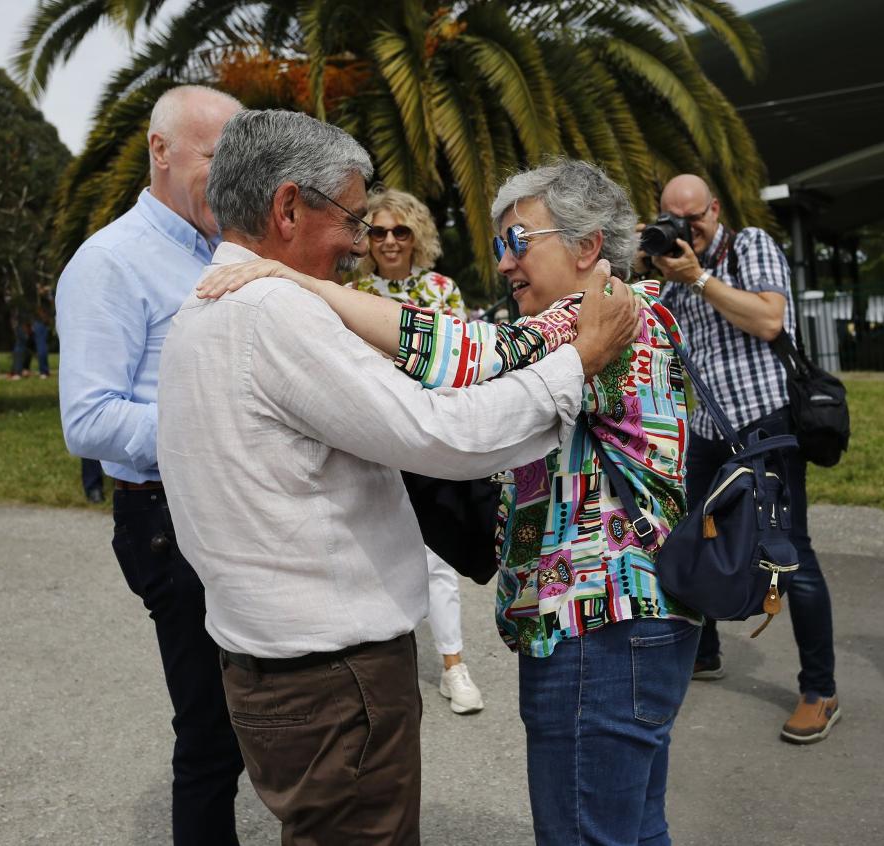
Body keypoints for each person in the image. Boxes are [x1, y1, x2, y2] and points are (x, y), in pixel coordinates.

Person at [159, 115, 638, 844]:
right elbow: (439, 433)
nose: (363, 240)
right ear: (289, 207)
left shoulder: (208, 305)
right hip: (333, 680)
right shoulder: (271, 310)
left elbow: (453, 357)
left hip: (273, 665)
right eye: (352, 217)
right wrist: (577, 365)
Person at [55, 85, 247, 844]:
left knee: (253, 723)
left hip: (228, 507)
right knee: (209, 741)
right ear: (160, 152)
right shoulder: (109, 262)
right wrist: (226, 425)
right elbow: (88, 419)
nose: (230, 177)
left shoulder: (224, 250)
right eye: (213, 157)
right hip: (167, 520)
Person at [638, 173, 841, 744]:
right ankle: (702, 652)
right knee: (688, 535)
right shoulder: (673, 266)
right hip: (709, 428)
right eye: (674, 217)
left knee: (786, 551)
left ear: (715, 209)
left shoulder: (746, 246)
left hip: (767, 422)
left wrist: (698, 276)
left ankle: (818, 690)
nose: (688, 228)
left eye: (695, 217)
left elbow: (769, 318)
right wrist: (641, 256)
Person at [351, 187, 483, 714]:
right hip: (372, 436)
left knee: (437, 556)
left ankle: (454, 666)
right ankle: (381, 676)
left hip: (427, 435)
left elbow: (458, 364)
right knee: (372, 555)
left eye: (399, 231)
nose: (388, 240)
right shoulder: (351, 289)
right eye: (378, 231)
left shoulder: (442, 290)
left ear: (416, 237)